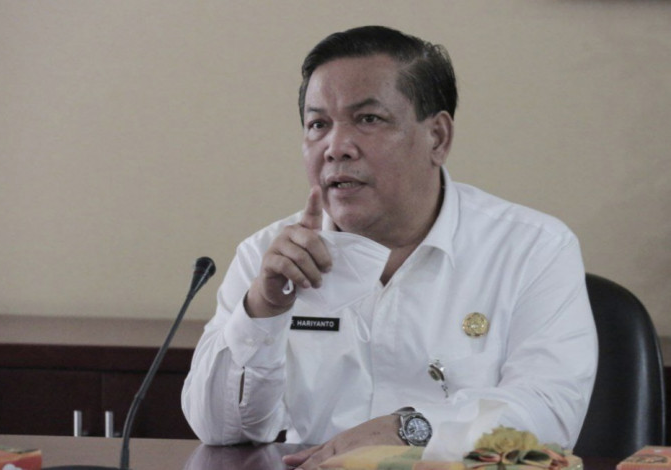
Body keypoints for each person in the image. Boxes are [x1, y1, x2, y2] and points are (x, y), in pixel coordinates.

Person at [182, 25, 597, 469]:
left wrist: (412, 429)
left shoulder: (533, 248)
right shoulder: (269, 256)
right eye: (318, 124)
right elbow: (219, 430)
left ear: (437, 137)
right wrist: (263, 310)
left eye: (368, 119)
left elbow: (549, 411)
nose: (336, 148)